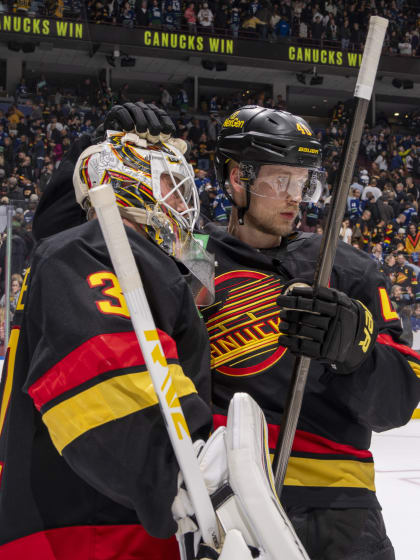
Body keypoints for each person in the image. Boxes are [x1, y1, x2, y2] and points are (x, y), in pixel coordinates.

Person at [200, 106, 420, 559]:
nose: (295, 196)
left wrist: (357, 353)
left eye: (302, 182)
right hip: (224, 501)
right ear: (238, 178)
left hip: (337, 507)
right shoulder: (190, 260)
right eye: (281, 180)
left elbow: (400, 401)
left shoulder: (346, 267)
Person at [0, 108, 216, 559]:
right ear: (125, 180)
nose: (182, 200)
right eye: (168, 185)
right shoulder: (89, 249)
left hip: (82, 509)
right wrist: (190, 475)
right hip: (92, 519)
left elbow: (200, 278)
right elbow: (107, 383)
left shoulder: (103, 256)